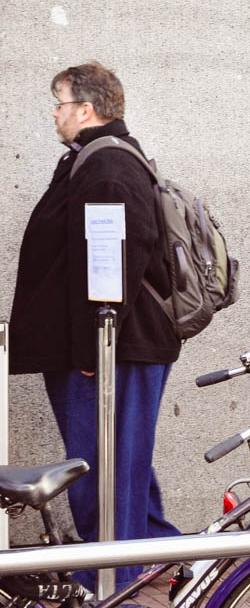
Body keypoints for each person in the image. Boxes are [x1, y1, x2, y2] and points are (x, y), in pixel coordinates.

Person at [8, 62, 181, 590]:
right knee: (120, 459)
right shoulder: (96, 159)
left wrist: (92, 348)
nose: (55, 115)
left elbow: (116, 261)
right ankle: (156, 547)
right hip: (113, 343)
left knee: (103, 463)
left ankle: (111, 581)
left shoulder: (106, 166)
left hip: (112, 347)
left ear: (86, 109)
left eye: (59, 104)